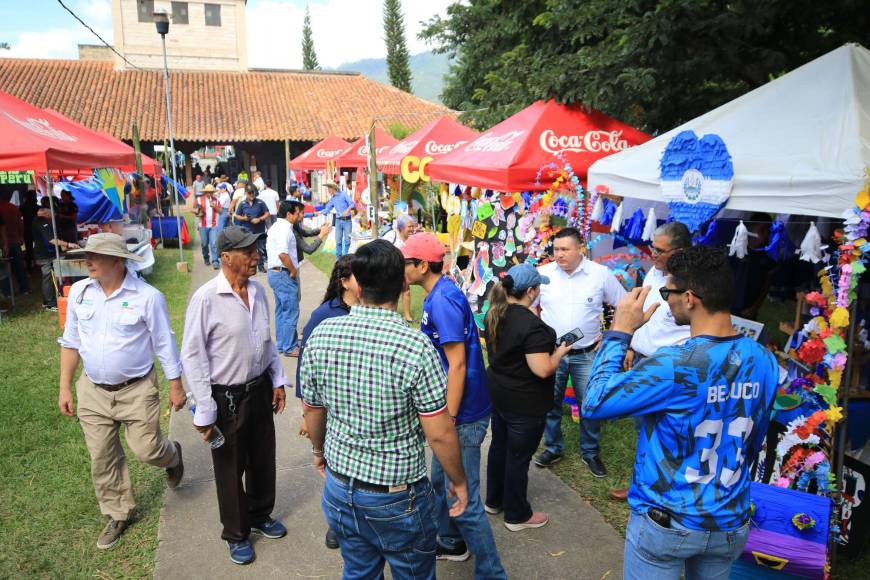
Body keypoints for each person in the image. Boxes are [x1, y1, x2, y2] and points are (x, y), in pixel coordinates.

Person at [582, 245, 780, 579]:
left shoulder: (675, 364)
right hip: (729, 519)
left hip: (668, 521)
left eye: (666, 291)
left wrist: (620, 331)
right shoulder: (764, 359)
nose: (665, 299)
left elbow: (595, 402)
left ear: (689, 298)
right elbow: (753, 437)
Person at [299, 240, 469, 579]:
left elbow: (313, 410)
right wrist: (459, 481)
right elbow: (439, 432)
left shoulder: (322, 334)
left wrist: (318, 450)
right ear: (404, 284)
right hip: (396, 498)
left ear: (357, 285)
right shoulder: (415, 346)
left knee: (359, 571)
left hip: (339, 489)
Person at [57, 233, 186, 550]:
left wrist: (176, 384)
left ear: (117, 261)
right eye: (86, 255)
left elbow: (164, 343)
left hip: (137, 390)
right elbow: (71, 341)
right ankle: (117, 513)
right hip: (92, 391)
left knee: (147, 450)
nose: (88, 261)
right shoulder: (79, 293)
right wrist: (65, 387)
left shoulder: (148, 297)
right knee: (102, 457)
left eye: (95, 256)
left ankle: (172, 457)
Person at [181, 226, 290, 565]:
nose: (256, 255)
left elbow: (267, 341)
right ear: (226, 257)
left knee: (262, 459)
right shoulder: (206, 298)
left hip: (258, 390)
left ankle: (260, 515)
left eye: (256, 249)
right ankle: (236, 532)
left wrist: (277, 379)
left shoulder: (258, 292)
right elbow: (193, 355)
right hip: (225, 398)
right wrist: (204, 411)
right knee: (230, 468)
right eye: (248, 251)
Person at [402, 232, 504, 576]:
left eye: (405, 263)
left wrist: (449, 416)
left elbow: (457, 364)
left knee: (467, 498)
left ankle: (492, 572)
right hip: (455, 410)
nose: (401, 270)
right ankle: (450, 540)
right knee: (439, 482)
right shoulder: (438, 294)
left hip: (461, 413)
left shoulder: (442, 300)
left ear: (421, 265)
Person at [607, 222, 693, 502]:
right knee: (644, 428)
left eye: (660, 250)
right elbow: (644, 314)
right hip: (645, 359)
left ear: (680, 251)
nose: (653, 254)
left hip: (671, 367)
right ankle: (640, 486)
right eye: (652, 247)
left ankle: (658, 490)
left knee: (667, 432)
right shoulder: (654, 273)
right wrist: (632, 345)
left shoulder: (690, 282)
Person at [484, 263, 572, 531]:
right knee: (518, 456)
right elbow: (543, 369)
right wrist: (560, 352)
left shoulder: (494, 313)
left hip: (499, 394)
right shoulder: (531, 325)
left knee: (500, 446)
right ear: (531, 291)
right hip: (524, 402)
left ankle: (494, 500)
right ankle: (517, 514)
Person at [535, 227, 626, 477]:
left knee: (591, 404)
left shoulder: (600, 275)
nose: (559, 255)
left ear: (580, 248)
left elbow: (623, 304)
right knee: (549, 402)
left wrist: (611, 334)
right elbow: (529, 306)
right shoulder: (543, 275)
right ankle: (553, 447)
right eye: (556, 249)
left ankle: (590, 452)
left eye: (565, 249)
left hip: (586, 353)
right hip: (553, 353)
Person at [294, 255, 357, 550]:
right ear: (343, 281)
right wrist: (307, 414)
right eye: (360, 276)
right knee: (333, 466)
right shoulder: (324, 315)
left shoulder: (370, 311)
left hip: (357, 404)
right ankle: (337, 523)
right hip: (330, 406)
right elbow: (305, 367)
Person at [266, 200, 301, 356]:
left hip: (275, 273)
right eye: (298, 213)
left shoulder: (275, 227)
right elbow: (282, 254)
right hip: (283, 273)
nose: (300, 216)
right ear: (289, 214)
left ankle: (282, 343)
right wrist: (293, 271)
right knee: (290, 310)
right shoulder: (284, 229)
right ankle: (289, 346)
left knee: (281, 310)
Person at [32, 198, 74, 311]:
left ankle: (52, 300)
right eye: (52, 214)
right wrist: (69, 244)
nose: (53, 216)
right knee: (48, 278)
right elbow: (51, 239)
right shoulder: (41, 221)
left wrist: (63, 245)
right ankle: (49, 303)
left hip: (48, 254)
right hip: (44, 256)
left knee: (51, 277)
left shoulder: (43, 221)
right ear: (46, 212)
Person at [383, 214, 417, 322]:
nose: (412, 229)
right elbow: (381, 249)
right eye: (409, 227)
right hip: (389, 268)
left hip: (403, 268)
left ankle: (407, 316)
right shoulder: (391, 236)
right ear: (401, 228)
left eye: (413, 226)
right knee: (392, 292)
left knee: (406, 291)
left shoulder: (412, 239)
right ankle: (391, 314)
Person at [234, 185, 270, 272]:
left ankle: (261, 266)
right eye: (250, 193)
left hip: (259, 230)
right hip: (247, 230)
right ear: (246, 193)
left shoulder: (260, 202)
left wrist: (259, 219)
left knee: (260, 248)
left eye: (253, 193)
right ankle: (249, 266)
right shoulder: (242, 204)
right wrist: (244, 218)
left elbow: (267, 213)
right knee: (248, 249)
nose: (252, 195)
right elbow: (237, 216)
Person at [0, 191, 30, 296]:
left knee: (3, 268)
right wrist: (21, 236)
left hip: (3, 243)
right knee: (19, 266)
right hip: (15, 240)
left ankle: (7, 293)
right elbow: (21, 223)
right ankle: (25, 289)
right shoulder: (13, 207)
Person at [320, 182, 354, 258]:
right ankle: (338, 259)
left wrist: (347, 210)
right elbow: (327, 209)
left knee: (347, 241)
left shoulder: (344, 194)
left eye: (329, 188)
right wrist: (318, 212)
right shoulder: (332, 199)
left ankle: (346, 259)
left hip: (347, 221)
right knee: (338, 241)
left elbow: (352, 204)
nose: (328, 190)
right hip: (338, 221)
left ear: (333, 188)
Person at [193, 184, 222, 269]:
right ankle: (206, 258)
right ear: (205, 192)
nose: (209, 193)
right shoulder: (198, 200)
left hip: (213, 226)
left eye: (211, 192)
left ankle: (215, 261)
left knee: (213, 243)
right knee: (204, 244)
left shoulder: (216, 200)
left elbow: (220, 211)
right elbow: (193, 209)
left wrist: (214, 206)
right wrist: (198, 211)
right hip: (202, 225)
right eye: (208, 192)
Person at [20, 190, 38, 269]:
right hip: (37, 228)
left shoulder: (23, 206)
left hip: (27, 228)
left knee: (28, 248)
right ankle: (37, 263)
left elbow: (19, 217)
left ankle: (29, 266)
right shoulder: (36, 206)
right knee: (38, 246)